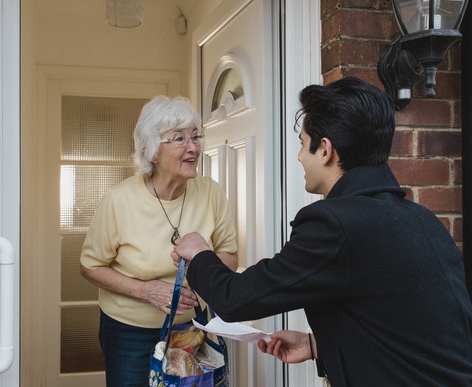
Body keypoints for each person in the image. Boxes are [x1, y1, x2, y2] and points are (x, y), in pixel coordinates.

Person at [171, 77, 472, 386]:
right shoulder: (423, 218)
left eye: (303, 143)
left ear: (325, 149)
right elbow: (405, 328)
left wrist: (200, 253)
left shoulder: (334, 224)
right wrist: (316, 345)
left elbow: (235, 300)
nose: (300, 156)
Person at [80, 95, 238, 386]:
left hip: (189, 328)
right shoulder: (119, 200)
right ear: (151, 151)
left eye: (195, 136)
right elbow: (90, 266)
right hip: (128, 331)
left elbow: (229, 254)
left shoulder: (211, 193)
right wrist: (147, 291)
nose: (193, 147)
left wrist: (199, 267)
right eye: (179, 138)